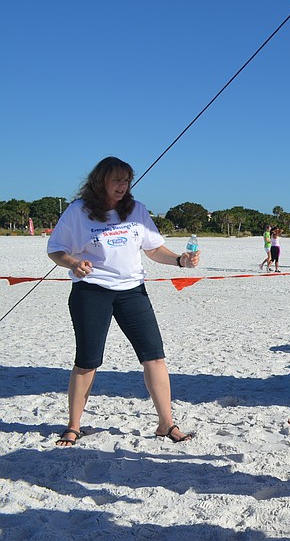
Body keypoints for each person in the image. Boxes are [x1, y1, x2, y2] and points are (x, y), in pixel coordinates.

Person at [47, 156, 200, 447]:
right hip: (92, 291)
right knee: (87, 361)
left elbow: (154, 250)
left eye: (126, 180)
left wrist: (181, 260)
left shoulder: (136, 210)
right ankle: (73, 426)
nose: (122, 185)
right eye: (116, 179)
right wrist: (72, 262)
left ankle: (166, 423)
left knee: (154, 356)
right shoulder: (78, 211)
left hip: (132, 291)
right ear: (100, 181)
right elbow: (55, 249)